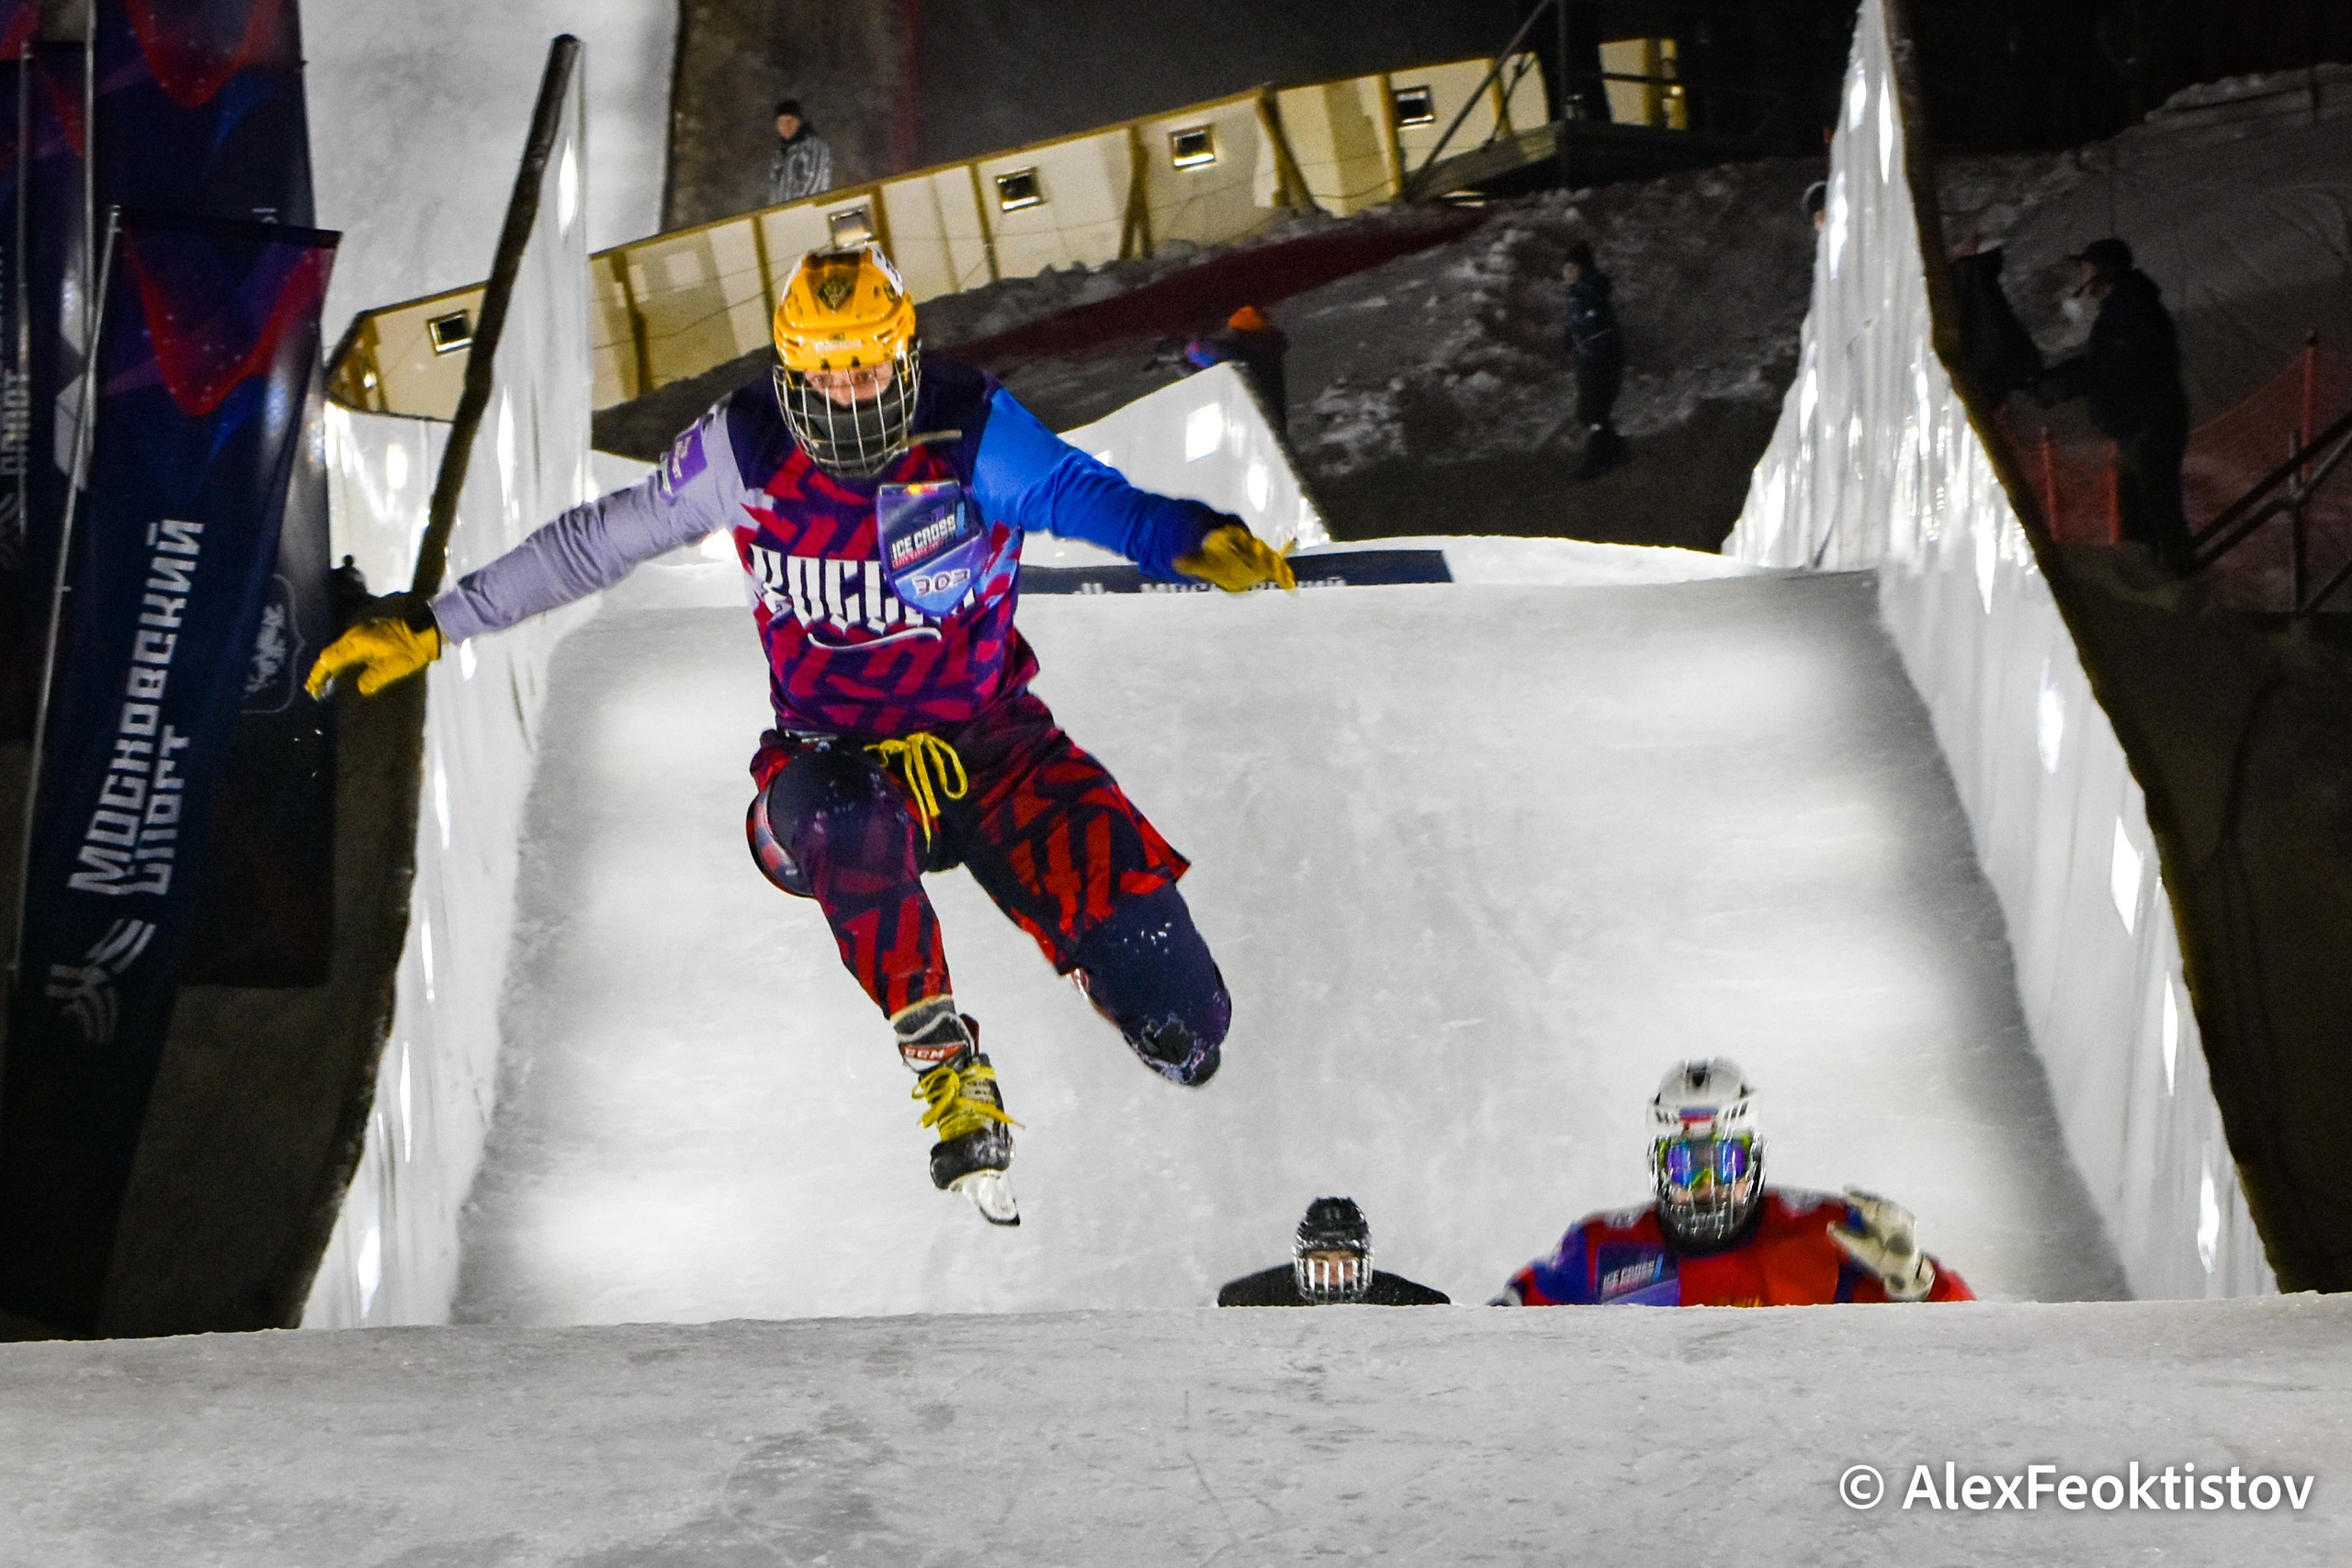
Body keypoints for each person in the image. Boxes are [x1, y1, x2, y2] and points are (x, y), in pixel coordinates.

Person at [305, 243, 1295, 1226]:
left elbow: (1087, 496)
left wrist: (1181, 536)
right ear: (792, 372)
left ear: (904, 354)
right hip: (830, 767)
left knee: (1188, 1029)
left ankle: (1104, 958)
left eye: (869, 364)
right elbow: (599, 541)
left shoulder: (970, 427)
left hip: (995, 748)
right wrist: (438, 623)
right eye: (828, 372)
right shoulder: (745, 445)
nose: (854, 391)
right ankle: (943, 1058)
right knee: (839, 813)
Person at [1493, 1058, 1973, 1306]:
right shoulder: (1602, 1248)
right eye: (1685, 1166)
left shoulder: (1828, 1236)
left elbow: (1959, 1345)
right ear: (1659, 1169)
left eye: (1724, 1162)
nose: (1707, 1185)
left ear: (1754, 1163)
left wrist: (1919, 1283)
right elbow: (1501, 1333)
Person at [2036, 237, 2192, 573]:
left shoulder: (2130, 311)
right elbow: (2104, 365)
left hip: (2149, 427)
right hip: (2140, 427)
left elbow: (2111, 370)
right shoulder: (2127, 308)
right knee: (2142, 514)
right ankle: (2159, 585)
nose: (2083, 277)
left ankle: (2177, 589)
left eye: (2087, 269)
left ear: (2103, 272)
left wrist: (2056, 386)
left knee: (2154, 512)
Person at [1217, 1197, 1450, 1306]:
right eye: (1320, 1265)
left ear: (1364, 1265)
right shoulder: (1259, 1297)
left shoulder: (1402, 1300)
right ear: (1301, 1265)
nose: (1334, 1276)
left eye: (1347, 1265)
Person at [1562, 241, 1626, 479]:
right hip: (1591, 360)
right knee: (1589, 412)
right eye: (1565, 269)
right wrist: (1572, 339)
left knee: (1594, 412)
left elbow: (1598, 328)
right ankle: (1616, 449)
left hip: (1602, 360)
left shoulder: (1589, 294)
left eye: (1572, 269)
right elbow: (1580, 325)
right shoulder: (1579, 292)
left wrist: (1591, 350)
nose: (1567, 274)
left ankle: (1598, 460)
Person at [1183, 305, 1289, 434]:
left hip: (1252, 421)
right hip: (1264, 419)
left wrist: (1185, 347)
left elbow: (1201, 350)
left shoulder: (1243, 352)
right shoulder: (1266, 350)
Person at [766, 98, 834, 207]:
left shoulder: (813, 147)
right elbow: (773, 191)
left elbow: (815, 184)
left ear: (799, 122)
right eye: (781, 122)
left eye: (790, 121)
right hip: (783, 217)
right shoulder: (781, 154)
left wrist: (797, 211)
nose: (786, 126)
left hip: (809, 213)